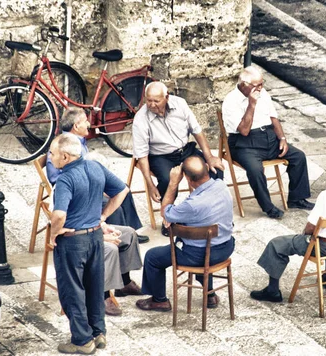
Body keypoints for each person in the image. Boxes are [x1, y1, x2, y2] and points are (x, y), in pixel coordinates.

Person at [249, 150, 326, 302]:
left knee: (277, 244)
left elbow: (311, 227)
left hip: (324, 247)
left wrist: (304, 234)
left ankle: (272, 291)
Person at [49, 133, 129, 354]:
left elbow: (58, 215)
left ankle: (82, 340)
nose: (51, 157)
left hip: (73, 242)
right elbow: (122, 190)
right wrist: (102, 217)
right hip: (94, 237)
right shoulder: (95, 167)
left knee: (72, 291)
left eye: (53, 153)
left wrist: (53, 234)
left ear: (65, 156)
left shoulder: (65, 178)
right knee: (95, 287)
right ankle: (98, 333)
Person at [136, 156, 234, 311]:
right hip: (225, 248)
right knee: (205, 243)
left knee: (152, 257)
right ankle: (210, 295)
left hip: (197, 255)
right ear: (207, 168)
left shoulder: (192, 205)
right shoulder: (222, 186)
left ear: (187, 179)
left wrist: (173, 182)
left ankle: (159, 300)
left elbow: (165, 212)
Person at [132, 82, 224, 236]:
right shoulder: (141, 118)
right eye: (148, 100)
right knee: (167, 181)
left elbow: (197, 131)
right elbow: (141, 155)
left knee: (215, 171)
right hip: (160, 155)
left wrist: (209, 157)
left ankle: (211, 213)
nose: (152, 104)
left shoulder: (180, 104)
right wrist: (149, 185)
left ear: (166, 97)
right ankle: (169, 221)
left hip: (185, 150)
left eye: (156, 100)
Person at [221, 66, 314, 218]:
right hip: (244, 143)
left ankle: (296, 198)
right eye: (257, 85)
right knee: (255, 170)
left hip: (268, 137)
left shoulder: (263, 93)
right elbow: (244, 130)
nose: (260, 88)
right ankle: (268, 207)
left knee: (298, 156)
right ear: (244, 84)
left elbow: (273, 117)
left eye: (262, 83)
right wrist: (251, 104)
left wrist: (282, 138)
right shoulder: (231, 101)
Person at [46, 108, 149, 243]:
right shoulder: (67, 144)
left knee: (123, 189)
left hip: (84, 184)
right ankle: (120, 238)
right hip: (74, 192)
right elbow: (59, 180)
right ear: (76, 126)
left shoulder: (78, 140)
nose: (89, 124)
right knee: (115, 206)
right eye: (85, 121)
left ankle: (129, 232)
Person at [84, 152, 144, 317]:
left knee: (129, 234)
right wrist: (101, 236)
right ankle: (103, 296)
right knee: (111, 247)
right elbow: (73, 228)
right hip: (79, 238)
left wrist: (103, 222)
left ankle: (124, 283)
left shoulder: (94, 186)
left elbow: (122, 190)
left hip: (93, 229)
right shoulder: (78, 188)